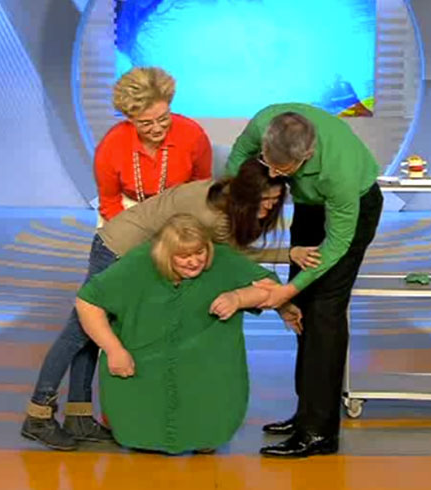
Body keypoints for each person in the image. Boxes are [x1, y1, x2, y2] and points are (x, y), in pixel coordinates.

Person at [21, 159, 290, 451]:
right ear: (246, 194)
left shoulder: (217, 191)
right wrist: (287, 267)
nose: (269, 208)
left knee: (88, 338)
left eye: (275, 200)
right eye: (264, 200)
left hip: (126, 242)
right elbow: (234, 262)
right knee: (79, 332)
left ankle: (79, 416)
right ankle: (39, 414)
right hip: (119, 250)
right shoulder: (214, 218)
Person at [225, 103, 383, 457]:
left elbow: (337, 243)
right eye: (268, 163)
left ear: (306, 156)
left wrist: (287, 290)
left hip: (354, 210)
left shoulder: (338, 171)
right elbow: (237, 159)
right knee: (303, 311)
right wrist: (238, 198)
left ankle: (319, 432)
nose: (273, 174)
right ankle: (305, 413)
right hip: (309, 206)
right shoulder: (262, 122)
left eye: (283, 170)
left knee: (324, 310)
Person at [76, 214, 302, 454]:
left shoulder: (224, 260)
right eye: (183, 256)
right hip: (143, 365)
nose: (194, 262)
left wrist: (238, 298)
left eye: (199, 253)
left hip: (206, 366)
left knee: (206, 407)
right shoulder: (138, 264)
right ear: (165, 254)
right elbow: (88, 302)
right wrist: (114, 350)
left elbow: (270, 288)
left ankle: (202, 436)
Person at [95, 66, 212, 223]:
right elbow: (110, 202)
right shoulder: (111, 145)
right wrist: (129, 229)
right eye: (146, 123)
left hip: (179, 208)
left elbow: (201, 188)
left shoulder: (193, 135)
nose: (157, 129)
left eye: (163, 118)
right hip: (127, 210)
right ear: (130, 119)